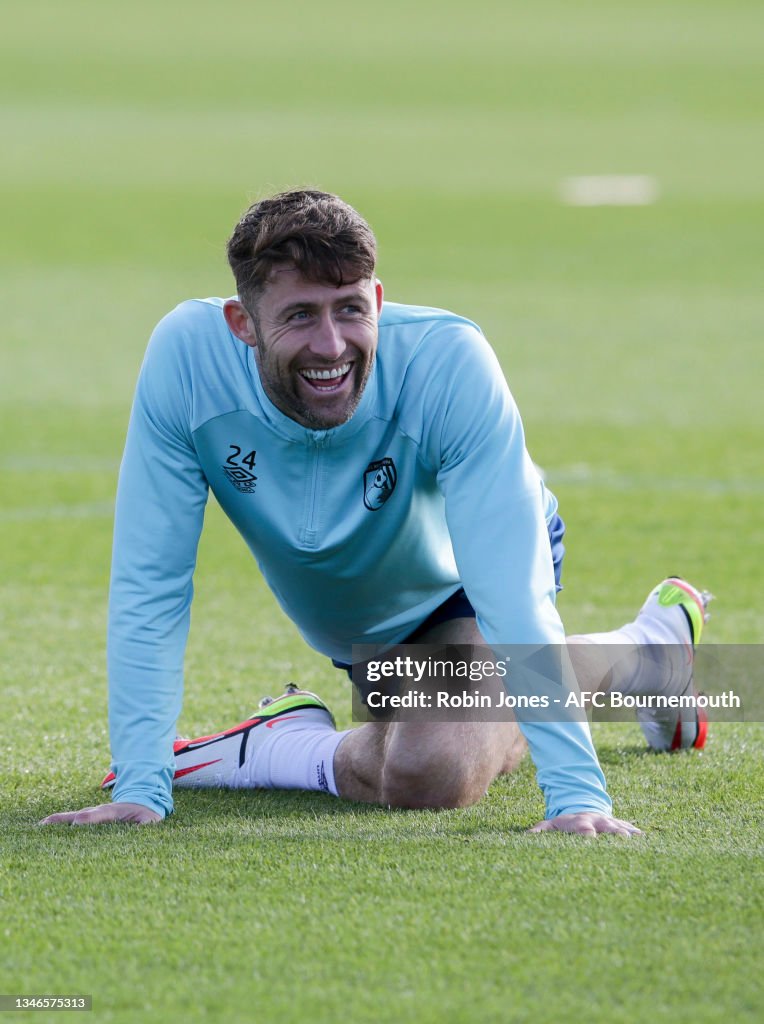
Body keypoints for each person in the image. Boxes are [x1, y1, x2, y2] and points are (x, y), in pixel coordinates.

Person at [40, 190, 710, 834]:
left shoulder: (449, 362)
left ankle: (274, 747)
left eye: (351, 309)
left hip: (462, 584)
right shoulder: (186, 360)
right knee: (429, 730)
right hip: (363, 632)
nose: (332, 346)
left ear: (380, 302)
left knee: (430, 769)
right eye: (300, 315)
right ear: (242, 324)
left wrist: (575, 795)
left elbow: (512, 593)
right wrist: (140, 787)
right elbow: (151, 583)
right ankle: (651, 658)